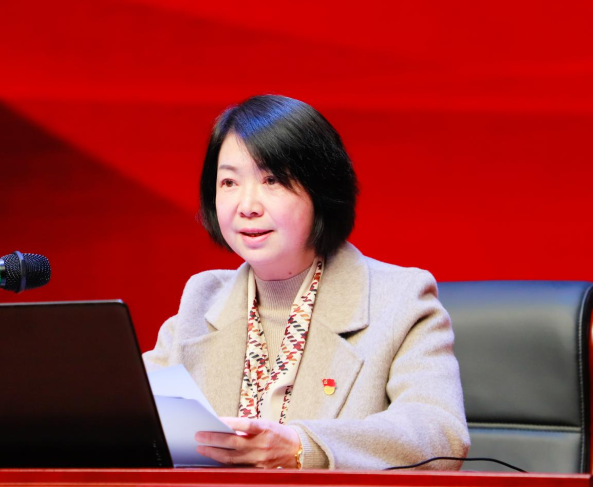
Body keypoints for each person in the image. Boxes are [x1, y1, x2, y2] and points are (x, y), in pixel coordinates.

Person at [143, 94, 470, 470]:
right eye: (229, 182)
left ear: (321, 190)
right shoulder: (202, 300)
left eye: (271, 180)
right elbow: (126, 411)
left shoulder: (400, 300)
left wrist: (302, 447)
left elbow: (440, 433)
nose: (247, 206)